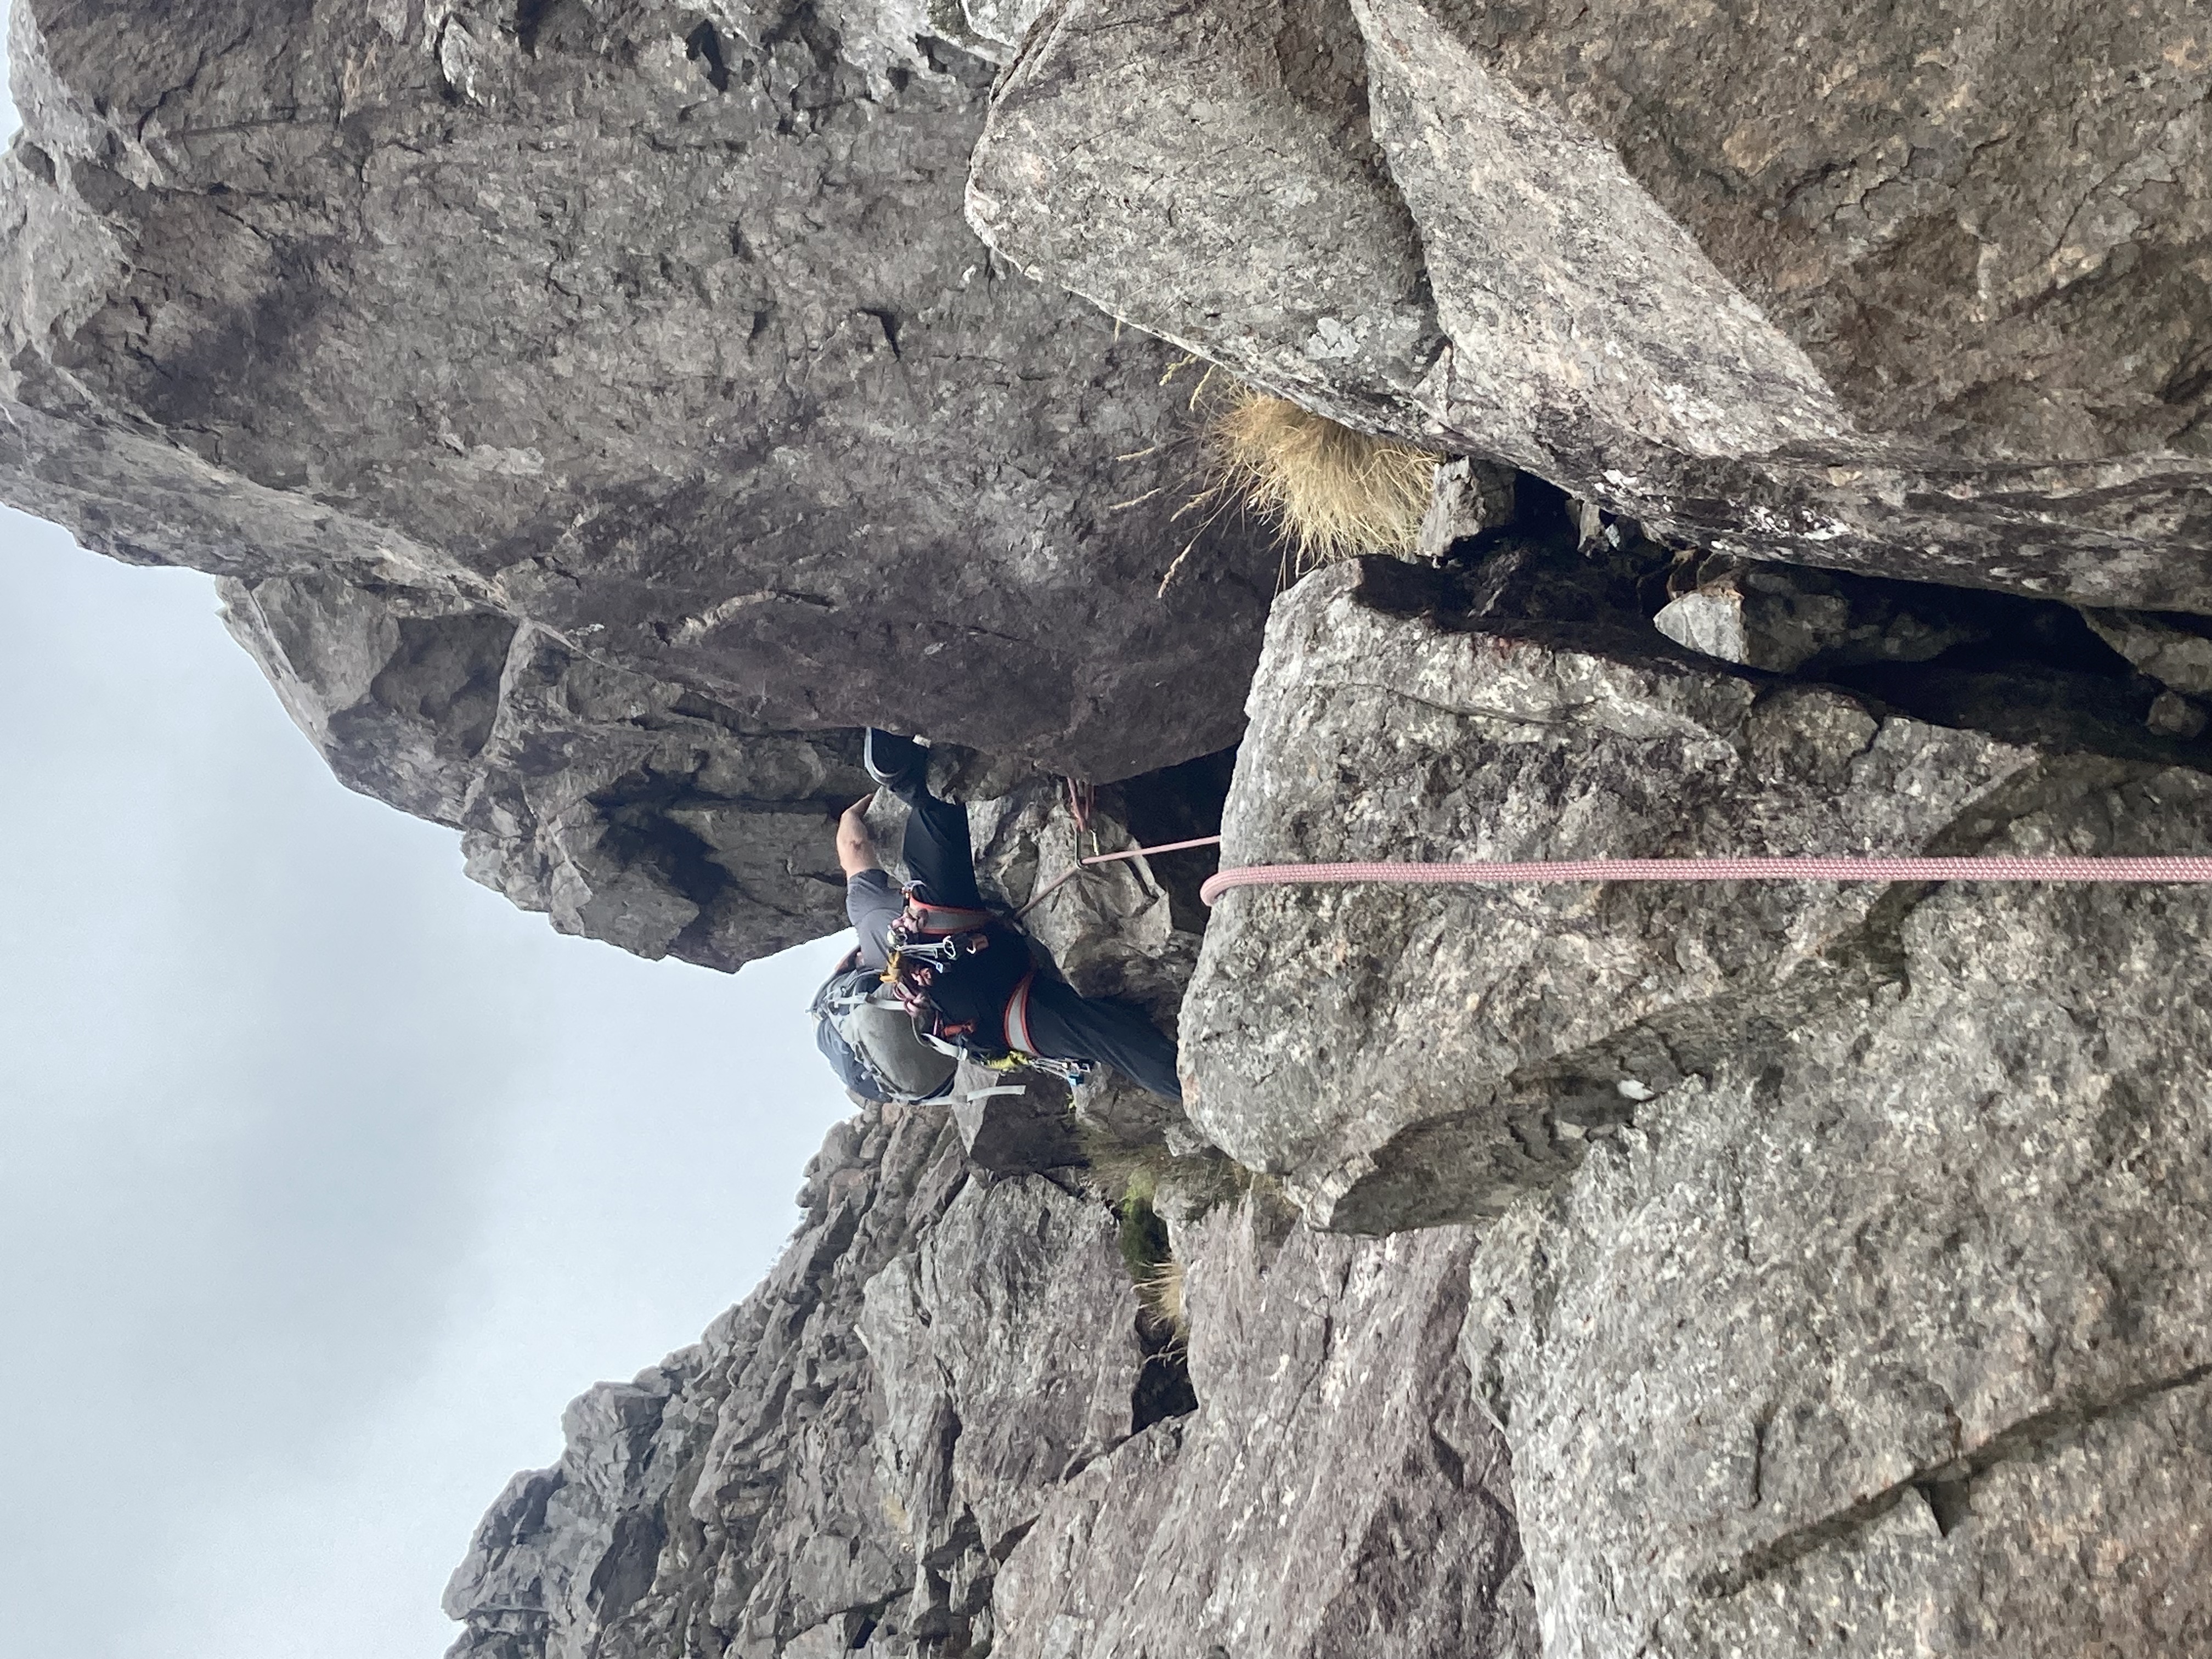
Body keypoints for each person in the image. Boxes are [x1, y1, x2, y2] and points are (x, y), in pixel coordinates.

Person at [819, 729, 1184, 1102]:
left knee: (1107, 1038)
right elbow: (853, 843)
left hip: (988, 1017)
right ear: (849, 966)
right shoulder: (867, 915)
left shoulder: (909, 1009)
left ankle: (1194, 1087)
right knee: (934, 816)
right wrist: (854, 809)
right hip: (939, 937)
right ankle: (906, 779)